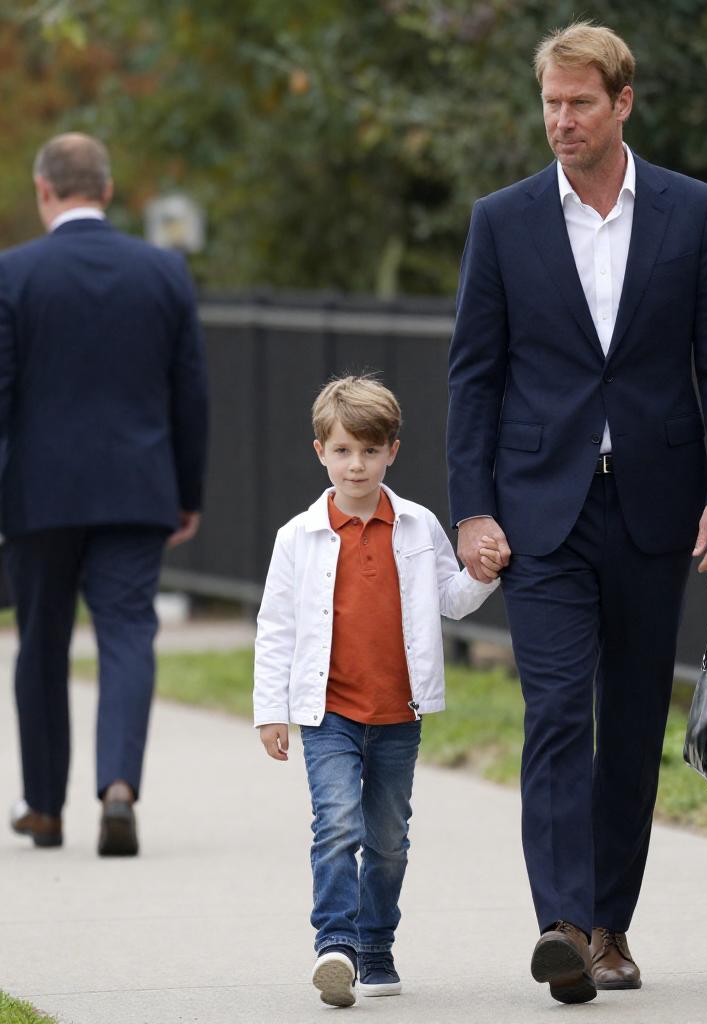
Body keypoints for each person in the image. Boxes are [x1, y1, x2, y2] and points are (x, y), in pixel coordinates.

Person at [446, 22, 707, 1003]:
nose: (562, 120)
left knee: (628, 721)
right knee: (552, 713)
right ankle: (565, 925)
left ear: (622, 103)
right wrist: (470, 509)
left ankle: (612, 924)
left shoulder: (690, 211)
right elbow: (473, 375)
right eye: (551, 102)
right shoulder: (502, 220)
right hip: (543, 510)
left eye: (580, 102)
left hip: (656, 505)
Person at [253, 376, 502, 1008]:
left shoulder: (417, 526)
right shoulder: (297, 536)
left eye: (369, 450)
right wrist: (270, 711)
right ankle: (334, 946)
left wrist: (483, 574)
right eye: (342, 451)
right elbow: (276, 627)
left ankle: (376, 945)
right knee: (336, 825)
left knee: (388, 840)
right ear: (321, 453)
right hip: (327, 712)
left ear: (392, 450)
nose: (356, 465)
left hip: (398, 711)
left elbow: (451, 600)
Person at [1, 132, 208, 857]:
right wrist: (187, 490)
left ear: (44, 189)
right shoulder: (164, 271)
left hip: (38, 494)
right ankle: (118, 787)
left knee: (41, 643)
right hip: (137, 488)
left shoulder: (13, 274)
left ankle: (45, 807)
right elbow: (190, 393)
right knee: (126, 635)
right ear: (108, 191)